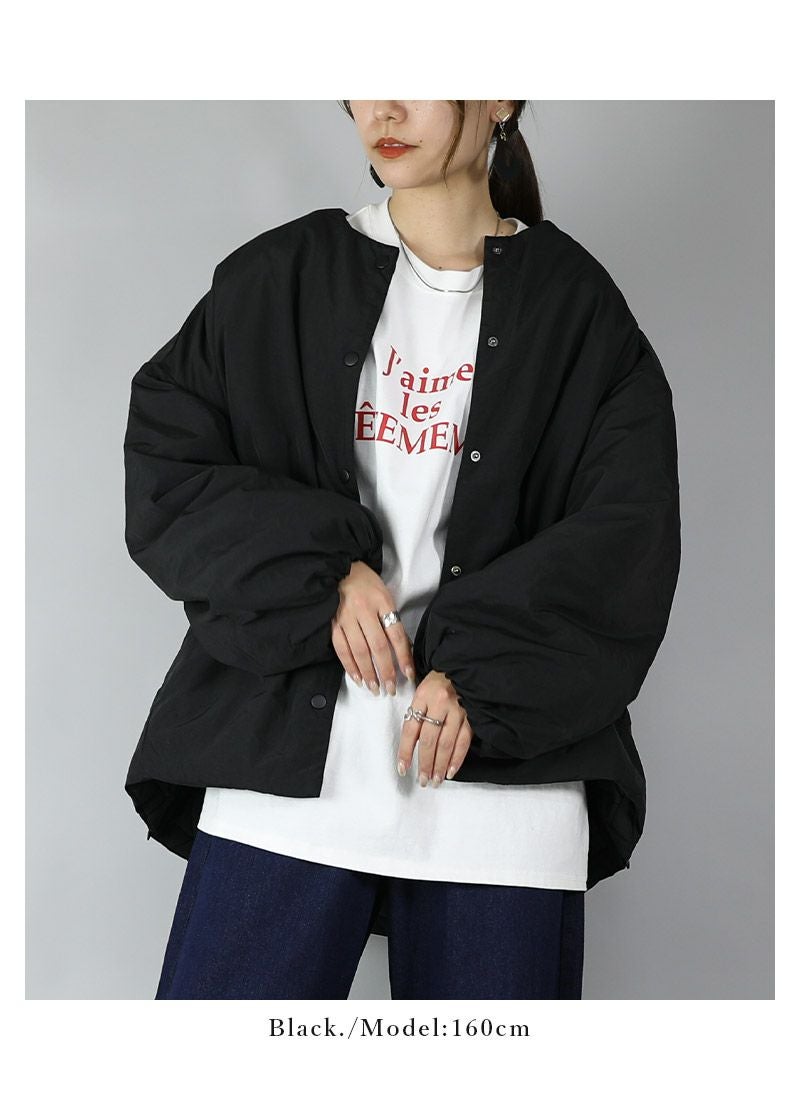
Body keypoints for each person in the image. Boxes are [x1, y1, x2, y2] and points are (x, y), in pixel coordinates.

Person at [123, 101, 681, 1000]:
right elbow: (168, 467)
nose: (383, 107)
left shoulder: (579, 311)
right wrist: (321, 573)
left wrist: (484, 675)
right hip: (289, 784)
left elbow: (629, 544)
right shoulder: (282, 277)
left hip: (502, 800)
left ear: (499, 93)